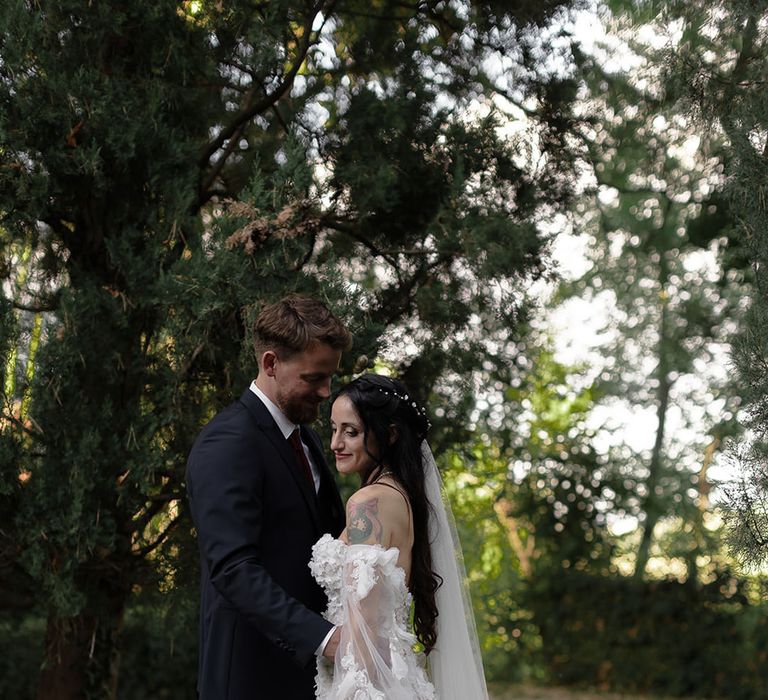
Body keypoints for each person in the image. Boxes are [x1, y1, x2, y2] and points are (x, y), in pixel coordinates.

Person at [185, 294, 352, 700]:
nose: (326, 391)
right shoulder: (227, 442)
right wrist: (324, 638)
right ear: (271, 364)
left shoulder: (306, 437)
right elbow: (233, 568)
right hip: (250, 676)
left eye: (330, 377)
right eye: (314, 378)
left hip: (304, 677)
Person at [309, 374, 489, 699]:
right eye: (334, 429)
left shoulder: (367, 504)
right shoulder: (401, 495)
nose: (335, 443)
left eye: (351, 432)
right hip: (393, 676)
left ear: (389, 435)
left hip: (369, 683)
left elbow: (365, 630)